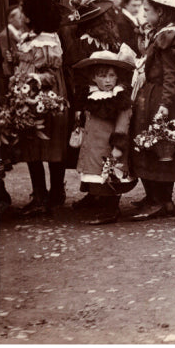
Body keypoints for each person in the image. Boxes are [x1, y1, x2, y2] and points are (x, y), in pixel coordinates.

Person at [129, 0, 175, 220]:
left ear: (160, 11)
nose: (143, 14)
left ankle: (159, 199)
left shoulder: (168, 36)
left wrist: (163, 106)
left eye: (147, 10)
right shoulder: (164, 32)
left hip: (161, 95)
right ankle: (159, 198)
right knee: (154, 144)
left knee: (157, 143)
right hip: (155, 92)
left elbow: (171, 75)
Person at [12, 0, 72, 215]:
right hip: (28, 96)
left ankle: (54, 193)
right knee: (32, 145)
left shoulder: (48, 39)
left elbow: (51, 72)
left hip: (45, 97)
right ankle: (41, 193)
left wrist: (34, 80)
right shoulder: (32, 37)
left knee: (50, 144)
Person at [71, 47, 138, 225]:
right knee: (97, 175)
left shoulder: (119, 98)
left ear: (117, 77)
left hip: (110, 146)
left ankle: (111, 209)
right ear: (93, 78)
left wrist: (118, 145)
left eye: (111, 75)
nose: (107, 80)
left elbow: (123, 122)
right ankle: (99, 202)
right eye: (102, 76)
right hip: (94, 145)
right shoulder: (92, 95)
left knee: (111, 175)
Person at [0, 4, 27, 80]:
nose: (22, 20)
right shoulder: (4, 35)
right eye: (20, 17)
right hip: (12, 74)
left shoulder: (22, 32)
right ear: (11, 19)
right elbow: (7, 57)